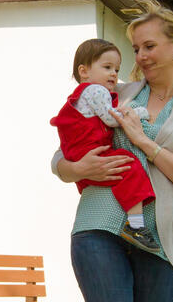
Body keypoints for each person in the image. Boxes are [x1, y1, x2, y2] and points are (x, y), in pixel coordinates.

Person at [51, 8, 173, 302]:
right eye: (136, 49)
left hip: (162, 243)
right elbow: (60, 155)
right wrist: (78, 169)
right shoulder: (112, 92)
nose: (141, 56)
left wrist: (146, 143)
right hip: (99, 228)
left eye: (149, 46)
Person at [50, 39, 158, 253]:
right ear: (84, 71)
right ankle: (136, 225)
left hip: (78, 155)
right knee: (129, 166)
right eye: (107, 67)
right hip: (93, 150)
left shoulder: (82, 93)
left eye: (116, 69)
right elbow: (111, 118)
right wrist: (139, 113)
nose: (113, 74)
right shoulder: (95, 91)